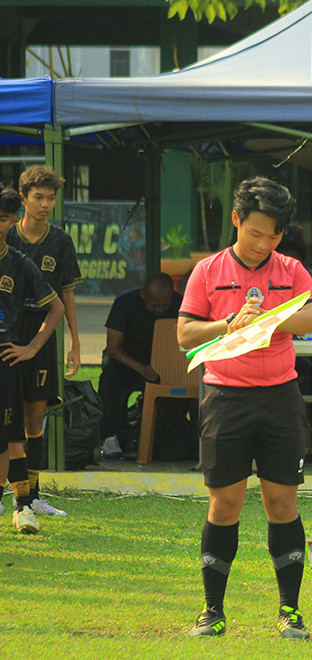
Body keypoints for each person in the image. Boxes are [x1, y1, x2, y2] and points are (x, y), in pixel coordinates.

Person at [177, 177, 312, 639]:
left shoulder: (292, 270)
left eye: (274, 235)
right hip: (225, 397)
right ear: (237, 220)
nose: (264, 244)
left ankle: (290, 611)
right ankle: (212, 611)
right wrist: (226, 324)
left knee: (282, 502)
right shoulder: (207, 271)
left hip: (281, 397)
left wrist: (273, 318)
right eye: (255, 232)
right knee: (225, 505)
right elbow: (184, 334)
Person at [6, 166, 82, 528]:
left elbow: (65, 294)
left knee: (35, 416)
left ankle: (32, 497)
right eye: (39, 197)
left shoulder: (60, 241)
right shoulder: (9, 237)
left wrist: (75, 343)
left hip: (42, 336)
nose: (46, 204)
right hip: (10, 334)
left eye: (51, 198)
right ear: (23, 199)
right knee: (9, 416)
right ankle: (16, 496)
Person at [0, 183, 64, 528]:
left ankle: (24, 505)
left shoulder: (19, 263)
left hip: (9, 357)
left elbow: (56, 306)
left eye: (2, 219)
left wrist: (33, 347)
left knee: (13, 432)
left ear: (10, 221)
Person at [97, 272, 182, 458]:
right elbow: (113, 348)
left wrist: (164, 366)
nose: (159, 310)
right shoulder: (124, 303)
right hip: (125, 362)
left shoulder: (181, 304)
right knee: (109, 379)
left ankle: (169, 438)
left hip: (162, 363)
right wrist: (140, 368)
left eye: (164, 306)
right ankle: (108, 436)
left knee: (180, 384)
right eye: (154, 305)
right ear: (143, 294)